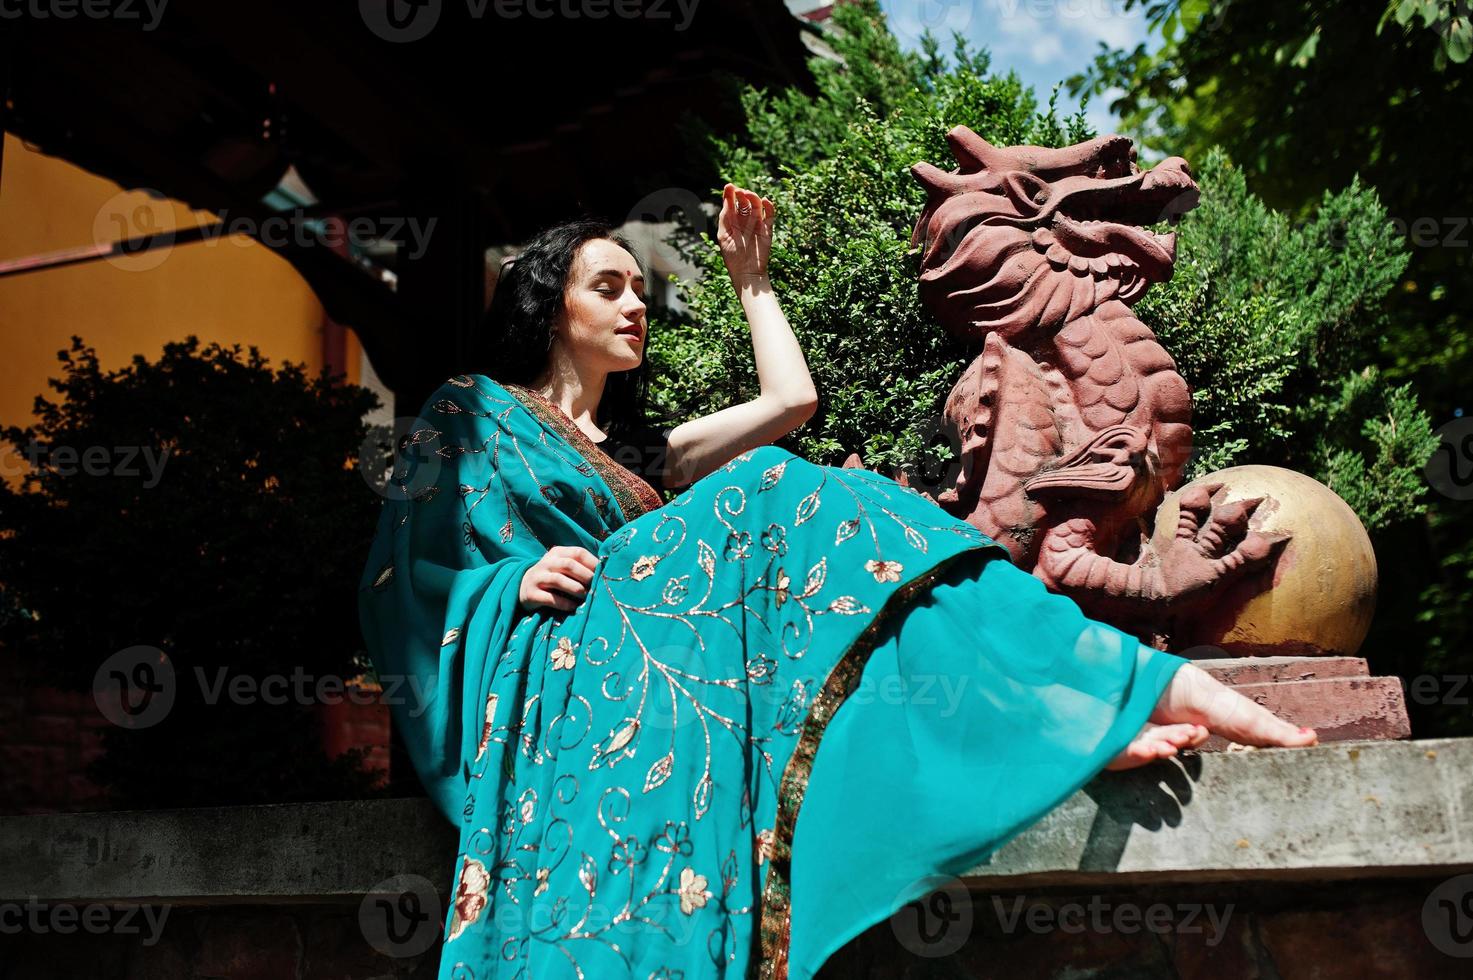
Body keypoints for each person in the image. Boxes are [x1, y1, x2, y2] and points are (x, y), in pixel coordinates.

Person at [357, 184, 1316, 980]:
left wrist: (753, 280)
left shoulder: (647, 463)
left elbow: (791, 403)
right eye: (607, 286)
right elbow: (401, 577)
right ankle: (1093, 689)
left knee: (816, 503)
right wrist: (509, 584)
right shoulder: (472, 411)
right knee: (773, 491)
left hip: (649, 674)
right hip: (555, 668)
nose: (634, 304)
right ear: (545, 304)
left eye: (640, 288)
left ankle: (1068, 705)